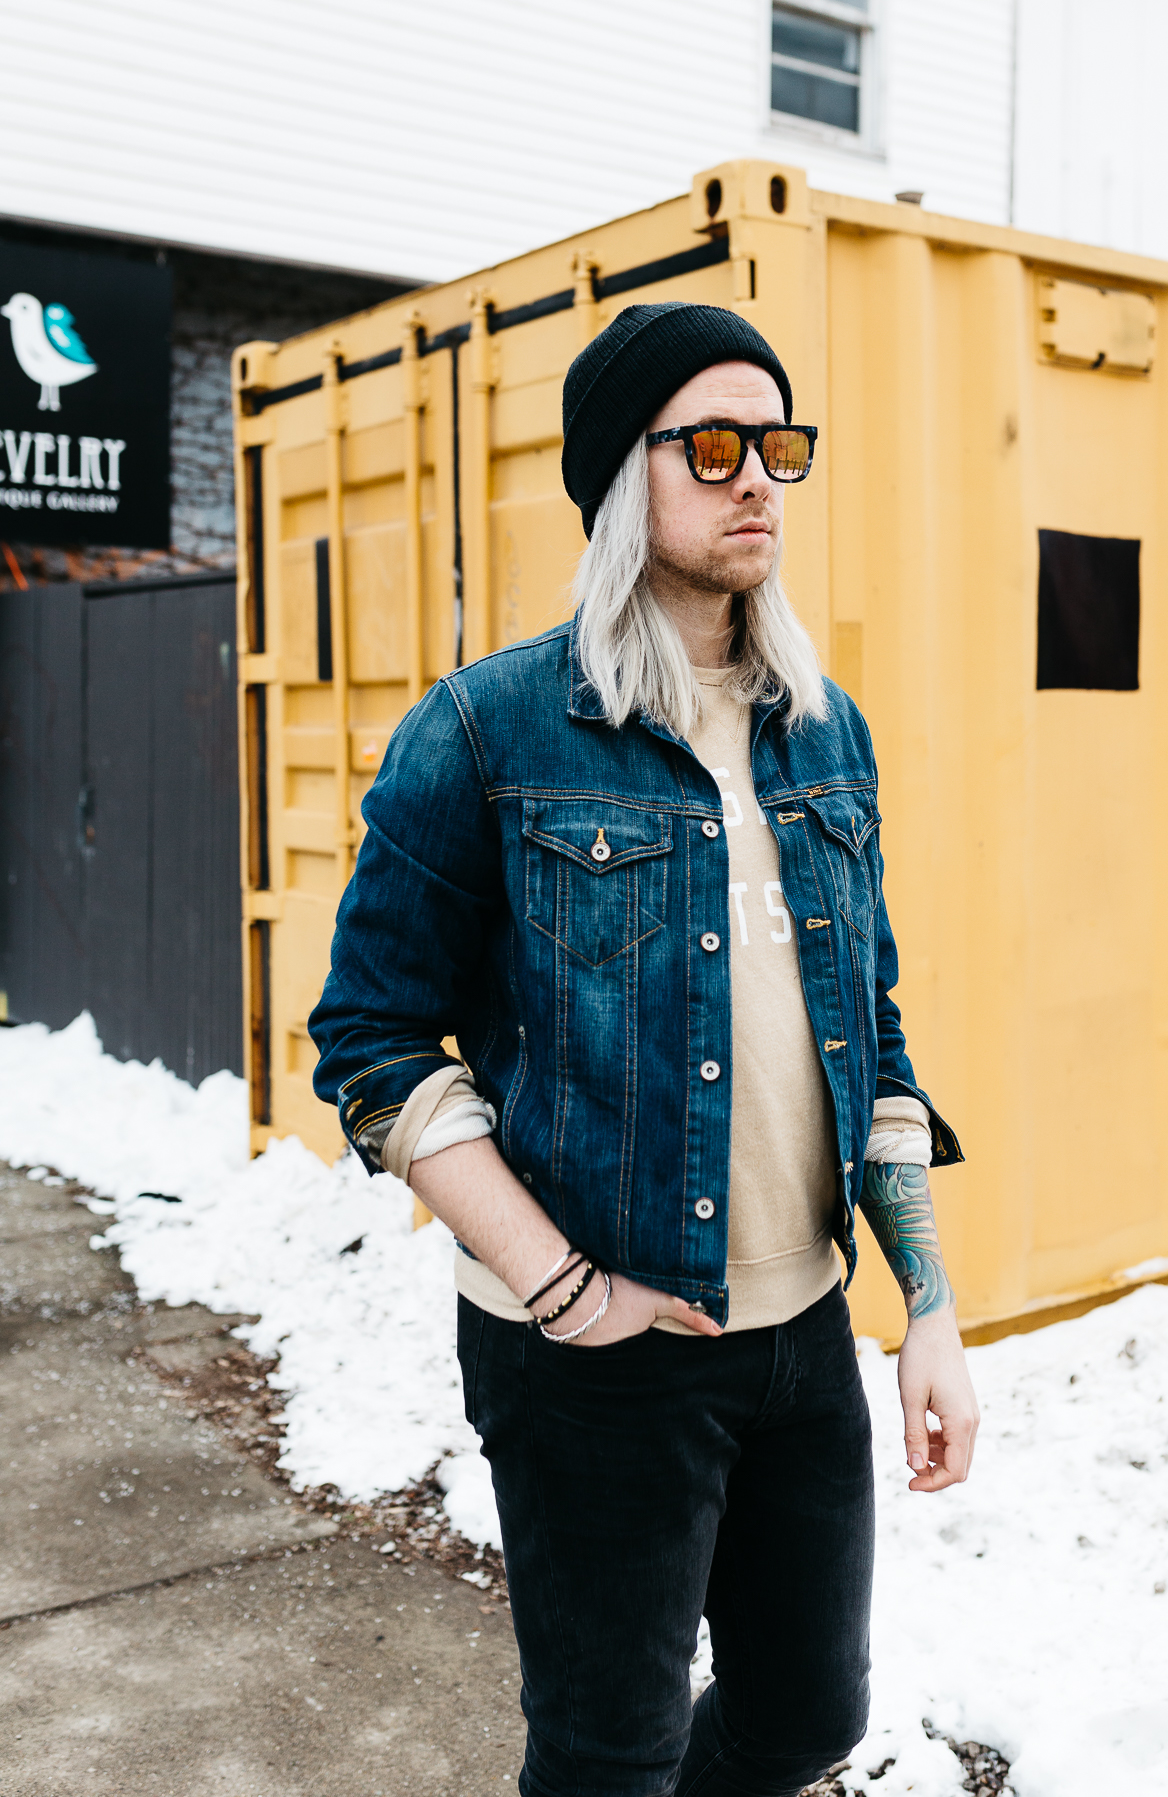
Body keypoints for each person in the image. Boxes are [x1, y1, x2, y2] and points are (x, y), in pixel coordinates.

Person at [310, 301, 980, 1797]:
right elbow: (366, 1040)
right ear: (627, 474)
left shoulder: (827, 735)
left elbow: (871, 1037)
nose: (759, 480)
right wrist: (562, 1291)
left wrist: (926, 1303)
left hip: (800, 1336)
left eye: (780, 446)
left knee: (809, 1719)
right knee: (606, 1752)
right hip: (595, 1356)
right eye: (717, 444)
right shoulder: (487, 733)